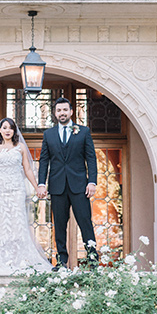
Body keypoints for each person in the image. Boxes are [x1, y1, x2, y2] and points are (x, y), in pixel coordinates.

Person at [0, 118, 52, 272]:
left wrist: (38, 187)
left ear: (14, 131)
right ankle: (0, 259)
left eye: (11, 128)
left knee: (17, 222)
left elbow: (27, 169)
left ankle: (18, 258)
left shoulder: (20, 147)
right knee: (0, 223)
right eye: (4, 127)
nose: (7, 130)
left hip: (16, 190)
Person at [37, 97, 98, 270]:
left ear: (71, 112)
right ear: (55, 113)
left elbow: (91, 159)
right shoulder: (48, 134)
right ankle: (61, 262)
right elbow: (44, 161)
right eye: (59, 110)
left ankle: (93, 260)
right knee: (60, 225)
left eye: (65, 110)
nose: (62, 113)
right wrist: (42, 183)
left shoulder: (84, 132)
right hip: (57, 187)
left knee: (85, 222)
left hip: (79, 186)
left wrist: (92, 181)